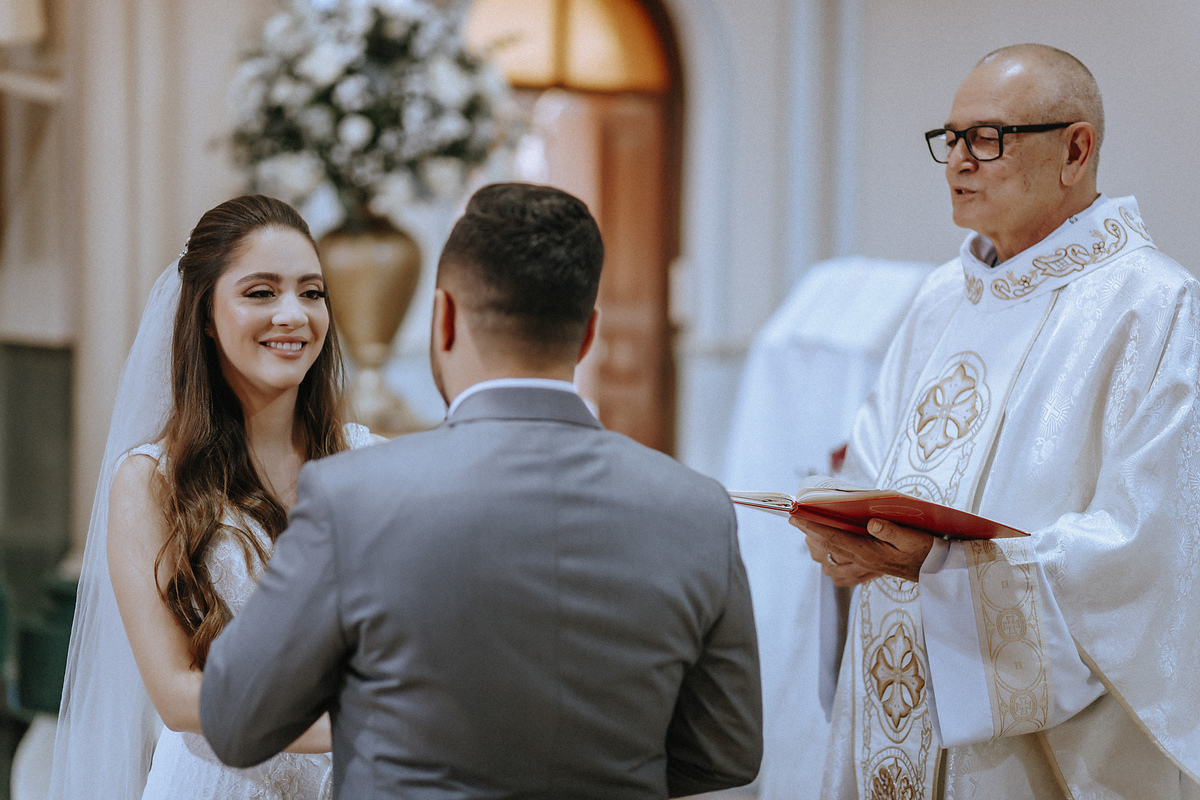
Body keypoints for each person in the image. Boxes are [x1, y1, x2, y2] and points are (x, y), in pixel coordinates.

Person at [199, 182, 764, 798]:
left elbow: (235, 721)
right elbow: (727, 752)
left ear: (443, 318)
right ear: (588, 334)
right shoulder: (699, 510)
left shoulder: (352, 497)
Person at [791, 44, 1200, 799]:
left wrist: (943, 569)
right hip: (896, 711)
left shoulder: (1155, 308)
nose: (958, 162)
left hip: (1037, 757)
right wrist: (845, 537)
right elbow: (873, 471)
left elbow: (1150, 554)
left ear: (1075, 151)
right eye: (951, 139)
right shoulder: (942, 298)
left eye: (988, 138)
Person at [49, 195, 378, 799]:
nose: (293, 315)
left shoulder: (367, 461)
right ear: (204, 314)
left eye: (311, 293)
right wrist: (367, 723)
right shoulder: (150, 481)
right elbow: (177, 695)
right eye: (261, 292)